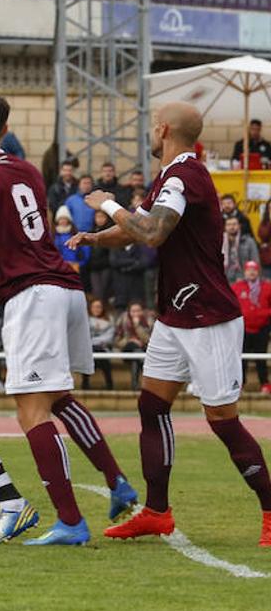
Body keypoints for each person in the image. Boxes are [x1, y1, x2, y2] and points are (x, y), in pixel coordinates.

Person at [72, 101, 271, 546]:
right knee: (152, 405)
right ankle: (158, 512)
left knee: (222, 420)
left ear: (162, 129)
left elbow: (153, 233)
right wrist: (96, 236)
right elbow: (139, 227)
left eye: (153, 122)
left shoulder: (184, 175)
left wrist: (107, 203)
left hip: (208, 317)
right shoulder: (172, 176)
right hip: (176, 314)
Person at [0, 90, 136, 546]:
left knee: (31, 410)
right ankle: (117, 482)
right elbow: (41, 222)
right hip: (66, 286)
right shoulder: (28, 169)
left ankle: (70, 521)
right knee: (59, 396)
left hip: (31, 293)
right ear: (6, 130)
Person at [231, 260, 271, 394]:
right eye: (249, 269)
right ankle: (240, 384)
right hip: (243, 328)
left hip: (262, 328)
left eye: (254, 269)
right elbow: (232, 305)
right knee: (241, 358)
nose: (252, 272)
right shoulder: (237, 287)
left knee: (261, 358)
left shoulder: (267, 287)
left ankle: (265, 384)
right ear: (245, 271)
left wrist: (264, 314)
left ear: (258, 271)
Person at [222, 214, 258, 284]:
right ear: (225, 227)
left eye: (234, 224)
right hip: (225, 278)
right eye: (229, 225)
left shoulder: (249, 241)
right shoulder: (219, 242)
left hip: (244, 278)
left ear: (239, 226)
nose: (232, 227)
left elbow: (255, 261)